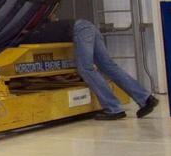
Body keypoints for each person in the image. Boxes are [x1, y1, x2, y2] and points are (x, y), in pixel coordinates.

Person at [23, 18, 158, 120]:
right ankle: (146, 99)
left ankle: (113, 108)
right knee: (109, 66)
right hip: (88, 26)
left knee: (85, 69)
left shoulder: (33, 34)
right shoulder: (45, 26)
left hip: (80, 31)